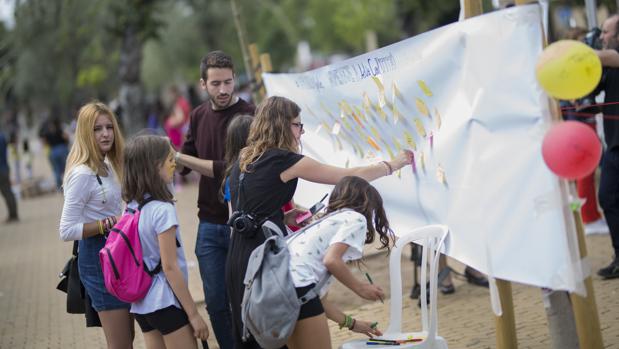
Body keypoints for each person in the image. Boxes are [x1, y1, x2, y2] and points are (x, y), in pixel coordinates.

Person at [225, 95, 414, 348]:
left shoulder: (243, 160)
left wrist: (281, 217)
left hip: (238, 257)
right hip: (267, 258)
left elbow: (246, 210)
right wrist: (394, 164)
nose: (301, 132)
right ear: (282, 125)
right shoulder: (282, 159)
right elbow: (349, 176)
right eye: (298, 125)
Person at [178, 50, 255, 349]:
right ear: (203, 84)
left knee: (248, 300)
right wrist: (165, 156)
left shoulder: (250, 114)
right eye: (215, 84)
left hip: (245, 224)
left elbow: (234, 169)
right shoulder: (197, 116)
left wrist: (183, 159)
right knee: (216, 303)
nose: (223, 90)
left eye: (227, 82)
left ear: (235, 79)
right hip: (208, 224)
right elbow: (184, 163)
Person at [122, 134, 209, 348]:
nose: (174, 164)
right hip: (166, 300)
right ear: (153, 166)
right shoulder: (162, 210)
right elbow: (170, 267)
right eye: (169, 159)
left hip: (142, 303)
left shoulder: (131, 206)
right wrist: (193, 314)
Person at [58, 102, 134, 347]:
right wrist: (107, 224)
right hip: (97, 259)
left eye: (109, 127)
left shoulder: (109, 165)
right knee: (120, 342)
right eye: (97, 129)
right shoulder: (81, 174)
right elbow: (66, 230)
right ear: (85, 134)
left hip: (119, 253)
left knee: (128, 337)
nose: (105, 133)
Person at [286, 176, 388, 348]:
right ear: (367, 204)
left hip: (280, 292)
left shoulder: (322, 224)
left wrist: (353, 324)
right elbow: (332, 260)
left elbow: (319, 300)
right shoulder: (355, 218)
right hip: (298, 292)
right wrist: (361, 288)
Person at [594, 14, 619, 279]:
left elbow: (606, 57)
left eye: (606, 32)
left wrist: (567, 50)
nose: (602, 37)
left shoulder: (613, 57)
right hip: (612, 145)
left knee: (609, 196)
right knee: (609, 198)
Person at [39, 115, 70, 190]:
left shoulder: (47, 132)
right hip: (62, 149)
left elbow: (44, 142)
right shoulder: (60, 129)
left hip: (52, 151)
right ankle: (68, 185)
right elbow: (66, 137)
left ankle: (59, 188)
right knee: (67, 169)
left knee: (56, 170)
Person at [0, 131, 18, 223]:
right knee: (8, 192)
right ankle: (13, 214)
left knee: (7, 192)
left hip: (1, 169)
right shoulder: (2, 136)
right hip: (4, 167)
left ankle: (13, 215)